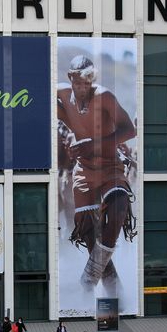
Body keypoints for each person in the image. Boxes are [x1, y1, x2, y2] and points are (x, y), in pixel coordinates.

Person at [57, 55, 137, 294]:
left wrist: (93, 145)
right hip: (82, 171)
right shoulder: (59, 95)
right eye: (78, 82)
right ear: (70, 78)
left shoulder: (104, 97)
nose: (82, 88)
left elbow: (129, 130)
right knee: (90, 235)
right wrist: (68, 138)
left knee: (119, 208)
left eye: (87, 83)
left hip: (110, 166)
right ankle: (116, 292)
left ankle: (88, 279)